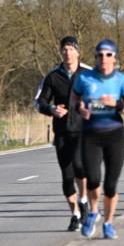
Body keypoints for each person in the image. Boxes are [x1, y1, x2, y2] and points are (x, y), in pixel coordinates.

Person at [71, 39, 124, 240]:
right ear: (95, 57)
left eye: (108, 55)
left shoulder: (121, 80)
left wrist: (117, 104)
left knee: (110, 185)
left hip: (114, 135)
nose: (104, 58)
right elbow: (74, 98)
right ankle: (93, 212)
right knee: (92, 180)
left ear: (114, 58)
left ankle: (108, 223)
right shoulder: (84, 78)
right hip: (90, 135)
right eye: (100, 54)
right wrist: (79, 109)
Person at [35, 36, 90, 231]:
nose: (67, 53)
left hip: (83, 130)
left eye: (71, 49)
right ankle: (75, 213)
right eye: (64, 49)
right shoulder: (52, 77)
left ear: (77, 52)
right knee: (67, 176)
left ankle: (83, 200)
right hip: (62, 132)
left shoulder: (88, 74)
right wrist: (51, 109)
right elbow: (39, 102)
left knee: (79, 167)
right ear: (61, 52)